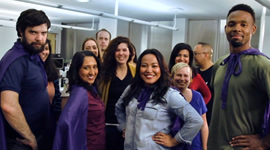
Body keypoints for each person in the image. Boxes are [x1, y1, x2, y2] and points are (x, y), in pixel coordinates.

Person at [208, 4, 270, 149]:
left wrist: (264, 142)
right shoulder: (219, 64)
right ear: (226, 29)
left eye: (243, 24)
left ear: (253, 29)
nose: (237, 28)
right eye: (232, 24)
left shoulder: (262, 65)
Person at [115, 49, 203, 149]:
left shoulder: (169, 94)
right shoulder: (132, 89)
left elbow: (196, 120)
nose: (149, 70)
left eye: (154, 66)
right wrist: (124, 127)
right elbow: (119, 107)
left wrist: (174, 141)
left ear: (161, 68)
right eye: (144, 65)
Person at [0, 9, 51, 150]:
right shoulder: (16, 61)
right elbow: (8, 106)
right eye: (33, 32)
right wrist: (29, 137)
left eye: (43, 33)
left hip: (36, 136)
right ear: (21, 32)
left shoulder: (32, 57)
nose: (39, 38)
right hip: (20, 141)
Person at [53, 51, 105, 150]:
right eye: (86, 68)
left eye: (95, 67)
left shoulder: (90, 89)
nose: (92, 72)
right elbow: (65, 123)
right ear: (77, 70)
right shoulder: (80, 92)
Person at [98, 36, 135, 150]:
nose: (121, 53)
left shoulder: (135, 72)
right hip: (108, 125)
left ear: (130, 52)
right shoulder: (104, 72)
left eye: (124, 50)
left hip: (130, 126)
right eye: (117, 50)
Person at [171, 62, 208, 150]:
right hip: (172, 145)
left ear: (191, 78)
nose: (182, 79)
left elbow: (204, 125)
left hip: (195, 145)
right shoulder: (167, 96)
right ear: (172, 77)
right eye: (179, 75)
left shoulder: (198, 96)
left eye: (186, 76)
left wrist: (205, 147)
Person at [40, 39, 62, 121]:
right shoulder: (30, 72)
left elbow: (57, 99)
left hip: (50, 119)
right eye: (41, 49)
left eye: (46, 49)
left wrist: (58, 119)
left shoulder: (52, 72)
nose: (44, 52)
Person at [194, 42, 214, 124]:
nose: (194, 57)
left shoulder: (216, 72)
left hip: (210, 119)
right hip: (195, 116)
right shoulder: (195, 73)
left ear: (206, 55)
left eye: (196, 54)